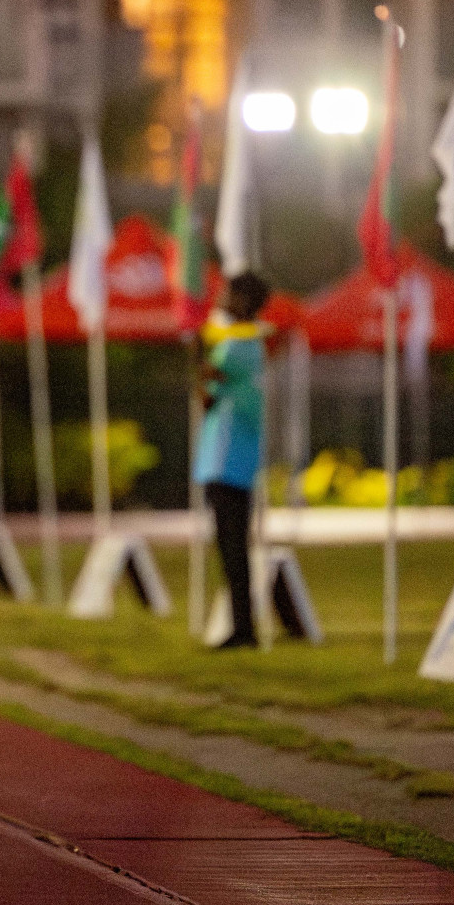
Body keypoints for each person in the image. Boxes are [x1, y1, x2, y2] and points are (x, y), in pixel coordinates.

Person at [194, 271, 272, 650]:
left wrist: (198, 343)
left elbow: (207, 387)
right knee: (232, 547)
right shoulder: (249, 343)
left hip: (226, 459)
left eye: (227, 291)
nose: (220, 295)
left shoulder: (239, 344)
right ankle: (243, 625)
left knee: (232, 548)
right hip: (234, 459)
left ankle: (244, 628)